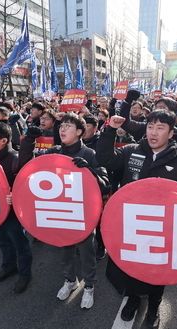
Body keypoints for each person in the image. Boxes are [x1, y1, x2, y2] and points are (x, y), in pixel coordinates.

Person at [96, 110, 177, 329]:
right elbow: (105, 159)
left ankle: (154, 306)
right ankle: (132, 299)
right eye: (150, 126)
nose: (153, 132)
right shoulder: (131, 152)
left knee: (158, 270)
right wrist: (110, 131)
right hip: (131, 225)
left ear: (171, 133)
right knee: (131, 265)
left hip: (163, 229)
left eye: (160, 128)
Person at [20, 112, 110, 309]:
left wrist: (90, 172)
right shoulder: (54, 151)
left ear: (80, 131)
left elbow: (105, 186)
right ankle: (70, 280)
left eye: (68, 126)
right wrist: (28, 140)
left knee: (87, 252)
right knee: (64, 249)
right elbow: (28, 165)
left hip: (83, 213)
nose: (62, 129)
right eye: (61, 126)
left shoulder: (89, 154)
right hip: (60, 211)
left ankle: (89, 286)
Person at [0, 122, 33, 293]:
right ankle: (8, 266)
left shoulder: (15, 159)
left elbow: (28, 185)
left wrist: (16, 196)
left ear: (4, 140)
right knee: (2, 241)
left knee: (20, 244)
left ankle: (24, 274)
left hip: (12, 213)